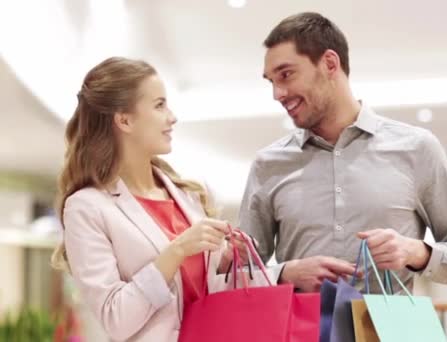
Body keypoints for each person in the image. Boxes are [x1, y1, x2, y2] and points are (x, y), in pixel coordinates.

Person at [239, 12, 447, 293]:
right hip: (301, 333)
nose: (278, 93)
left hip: (388, 333)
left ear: (330, 63)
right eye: (271, 81)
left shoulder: (417, 148)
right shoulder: (268, 164)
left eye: (286, 75)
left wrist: (416, 252)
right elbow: (237, 273)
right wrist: (284, 274)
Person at [51, 57, 279, 341]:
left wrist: (224, 262)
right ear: (124, 120)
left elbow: (198, 295)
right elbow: (115, 318)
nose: (172, 117)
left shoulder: (186, 195)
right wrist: (177, 251)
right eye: (159, 105)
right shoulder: (87, 207)